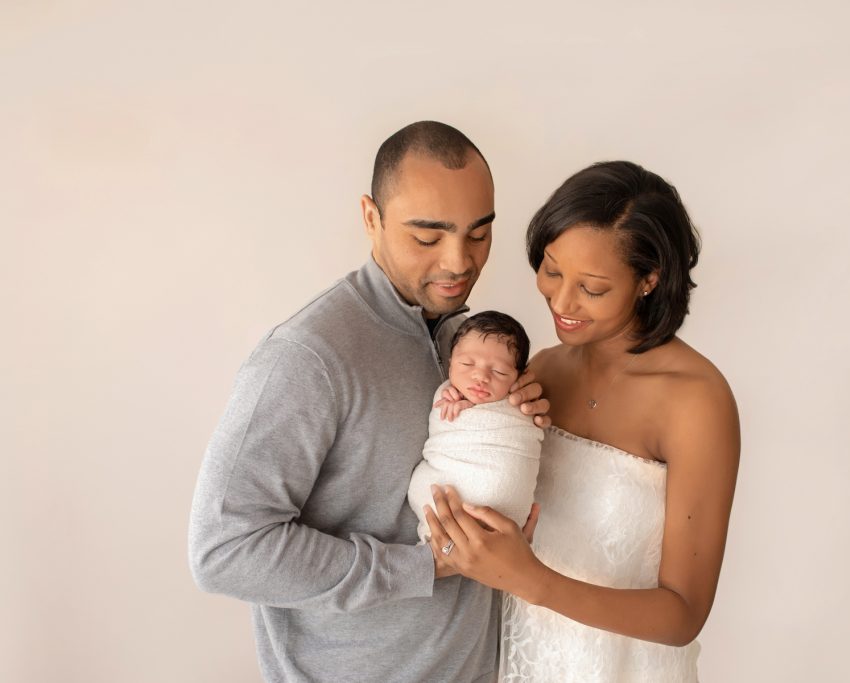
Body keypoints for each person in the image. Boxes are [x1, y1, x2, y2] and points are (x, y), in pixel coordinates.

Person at [187, 121, 549, 683]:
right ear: (370, 218)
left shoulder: (469, 340)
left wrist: (518, 410)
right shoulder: (307, 357)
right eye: (427, 237)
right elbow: (226, 550)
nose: (458, 262)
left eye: (479, 234)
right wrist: (425, 564)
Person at [425, 160, 741, 682]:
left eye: (592, 288)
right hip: (516, 662)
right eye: (551, 270)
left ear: (649, 280)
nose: (561, 301)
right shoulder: (539, 372)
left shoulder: (696, 402)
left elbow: (683, 613)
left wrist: (531, 580)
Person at [408, 310, 544, 543]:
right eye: (467, 364)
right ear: (450, 365)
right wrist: (449, 396)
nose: (480, 376)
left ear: (519, 378)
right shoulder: (447, 391)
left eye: (499, 371)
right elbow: (442, 417)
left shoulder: (520, 404)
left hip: (500, 498)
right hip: (442, 485)